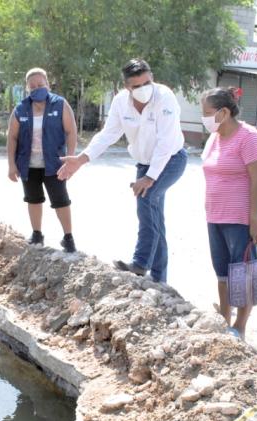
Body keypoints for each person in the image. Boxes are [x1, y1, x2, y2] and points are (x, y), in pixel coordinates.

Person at [58, 59, 186, 283]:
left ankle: (140, 263)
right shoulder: (120, 103)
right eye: (136, 86)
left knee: (146, 200)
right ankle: (159, 278)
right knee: (155, 217)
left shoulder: (165, 97)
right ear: (126, 87)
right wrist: (81, 159)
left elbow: (166, 142)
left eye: (147, 82)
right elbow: (108, 134)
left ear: (152, 77)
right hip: (145, 164)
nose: (143, 89)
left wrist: (149, 178)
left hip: (171, 160)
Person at [199, 87, 257, 337]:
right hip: (215, 215)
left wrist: (254, 219)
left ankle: (240, 325)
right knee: (222, 272)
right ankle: (224, 319)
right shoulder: (214, 137)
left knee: (243, 274)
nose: (203, 118)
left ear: (224, 112)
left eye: (207, 113)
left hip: (240, 218)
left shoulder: (249, 137)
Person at [6, 68, 78, 252]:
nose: (37, 88)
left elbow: (71, 132)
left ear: (47, 83)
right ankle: (37, 234)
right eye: (32, 86)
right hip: (28, 165)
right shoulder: (20, 109)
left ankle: (68, 238)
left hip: (54, 164)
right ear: (27, 88)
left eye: (40, 84)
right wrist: (11, 165)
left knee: (61, 200)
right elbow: (12, 137)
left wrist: (70, 158)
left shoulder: (60, 104)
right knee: (33, 199)